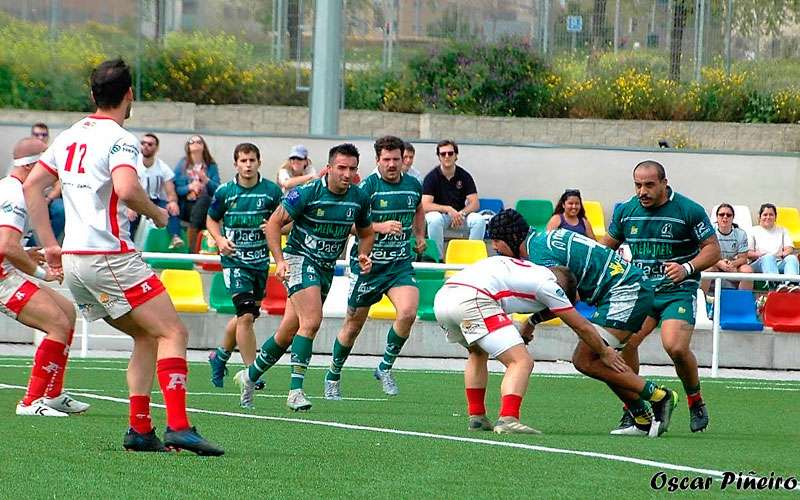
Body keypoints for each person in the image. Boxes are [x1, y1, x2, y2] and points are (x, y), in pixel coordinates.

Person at [23, 58, 223, 455]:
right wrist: (158, 212)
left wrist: (49, 243)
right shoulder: (121, 138)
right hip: (108, 255)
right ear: (130, 94)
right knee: (174, 332)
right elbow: (128, 189)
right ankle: (180, 426)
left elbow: (33, 186)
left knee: (146, 335)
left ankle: (139, 429)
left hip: (78, 262)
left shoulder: (69, 134)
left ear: (92, 94)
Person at [489, 209, 680, 437]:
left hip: (627, 291)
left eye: (497, 241)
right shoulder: (542, 241)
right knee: (599, 359)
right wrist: (532, 321)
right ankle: (641, 417)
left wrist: (531, 321)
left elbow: (568, 299)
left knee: (585, 358)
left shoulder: (539, 256)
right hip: (624, 290)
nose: (495, 248)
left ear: (510, 238)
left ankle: (661, 396)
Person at [234, 143, 374, 411]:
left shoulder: (359, 197)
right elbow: (274, 223)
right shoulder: (307, 193)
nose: (347, 174)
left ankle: (249, 376)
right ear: (329, 168)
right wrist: (280, 260)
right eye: (341, 168)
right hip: (299, 260)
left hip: (325, 268)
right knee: (311, 321)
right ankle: (295, 391)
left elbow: (366, 232)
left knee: (287, 332)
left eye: (352, 169)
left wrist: (363, 255)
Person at [434, 256, 628, 434]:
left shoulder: (528, 269)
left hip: (443, 297)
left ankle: (477, 417)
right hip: (474, 299)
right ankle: (508, 418)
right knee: (521, 361)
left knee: (477, 353)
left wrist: (531, 323)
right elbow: (581, 325)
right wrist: (604, 351)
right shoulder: (550, 286)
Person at [602, 160, 720, 434]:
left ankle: (695, 400)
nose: (642, 191)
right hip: (642, 293)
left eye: (649, 185)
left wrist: (687, 267)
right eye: (638, 184)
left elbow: (713, 250)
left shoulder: (688, 210)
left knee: (675, 347)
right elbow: (606, 248)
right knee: (625, 345)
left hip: (677, 291)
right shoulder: (626, 211)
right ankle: (635, 411)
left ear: (665, 183)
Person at [323, 136, 426, 400]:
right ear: (377, 160)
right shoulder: (366, 188)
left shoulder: (414, 184)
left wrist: (420, 235)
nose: (392, 164)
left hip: (399, 264)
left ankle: (385, 367)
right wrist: (379, 227)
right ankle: (333, 375)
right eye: (386, 159)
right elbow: (348, 224)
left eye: (396, 159)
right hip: (368, 266)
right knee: (353, 324)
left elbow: (418, 209)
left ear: (404, 159)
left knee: (408, 312)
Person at [6, 138, 90, 417]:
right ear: (30, 166)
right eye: (43, 165)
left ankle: (52, 394)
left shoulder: (12, 189)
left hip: (7, 272)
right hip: (3, 279)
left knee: (66, 313)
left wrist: (30, 252)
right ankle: (30, 402)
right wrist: (45, 274)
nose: (49, 173)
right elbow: (5, 246)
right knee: (56, 323)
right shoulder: (15, 194)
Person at [206, 143, 283, 398]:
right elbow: (211, 219)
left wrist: (275, 228)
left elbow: (288, 221)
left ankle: (219, 357)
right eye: (243, 161)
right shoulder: (225, 191)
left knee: (245, 316)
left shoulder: (271, 192)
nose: (248, 165)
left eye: (252, 160)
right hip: (235, 262)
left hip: (260, 263)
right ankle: (252, 372)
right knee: (247, 315)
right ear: (236, 164)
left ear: (259, 162)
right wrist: (219, 240)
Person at [421, 139, 486, 257]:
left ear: (456, 155)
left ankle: (471, 258)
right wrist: (448, 209)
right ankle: (438, 259)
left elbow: (475, 203)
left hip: (460, 216)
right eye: (443, 154)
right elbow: (425, 205)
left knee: (479, 220)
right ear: (439, 157)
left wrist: (461, 213)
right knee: (434, 219)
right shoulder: (431, 177)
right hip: (441, 216)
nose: (447, 156)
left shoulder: (464, 175)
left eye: (450, 153)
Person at [128, 133, 180, 240]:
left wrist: (173, 202)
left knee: (171, 209)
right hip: (136, 200)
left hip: (155, 200)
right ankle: (129, 243)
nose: (146, 146)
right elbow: (126, 187)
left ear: (156, 148)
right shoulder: (132, 163)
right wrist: (129, 206)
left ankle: (175, 237)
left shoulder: (162, 167)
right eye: (143, 143)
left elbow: (170, 191)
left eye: (150, 144)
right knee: (130, 216)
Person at [172, 135, 220, 251]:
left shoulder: (211, 166)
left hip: (204, 207)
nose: (195, 143)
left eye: (199, 142)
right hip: (185, 206)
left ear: (204, 146)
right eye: (191, 142)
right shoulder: (182, 165)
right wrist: (190, 187)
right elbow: (175, 188)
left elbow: (217, 190)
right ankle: (194, 249)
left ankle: (192, 247)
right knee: (202, 207)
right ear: (188, 147)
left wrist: (206, 180)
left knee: (204, 201)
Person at [700, 203, 753, 298]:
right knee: (707, 270)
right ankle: (701, 301)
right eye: (721, 214)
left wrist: (732, 264)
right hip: (714, 263)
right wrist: (719, 263)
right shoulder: (709, 232)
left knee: (747, 270)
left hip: (733, 264)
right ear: (717, 217)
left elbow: (743, 258)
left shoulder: (741, 234)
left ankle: (742, 302)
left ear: (733, 218)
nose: (725, 217)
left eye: (728, 215)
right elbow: (703, 253)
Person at [27, 123, 65, 244]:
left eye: (44, 135)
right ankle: (30, 245)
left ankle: (47, 245)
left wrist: (48, 198)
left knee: (61, 209)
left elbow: (60, 182)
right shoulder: (23, 154)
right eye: (37, 134)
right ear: (31, 136)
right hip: (28, 196)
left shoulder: (54, 155)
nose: (40, 137)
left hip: (51, 198)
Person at [748, 203, 800, 289]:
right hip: (759, 263)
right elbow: (748, 253)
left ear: (775, 217)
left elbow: (789, 248)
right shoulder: (753, 231)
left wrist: (782, 254)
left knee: (792, 258)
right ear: (760, 216)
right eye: (765, 214)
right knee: (768, 258)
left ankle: (792, 285)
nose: (768, 217)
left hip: (778, 262)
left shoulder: (782, 230)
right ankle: (775, 284)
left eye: (771, 215)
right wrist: (763, 255)